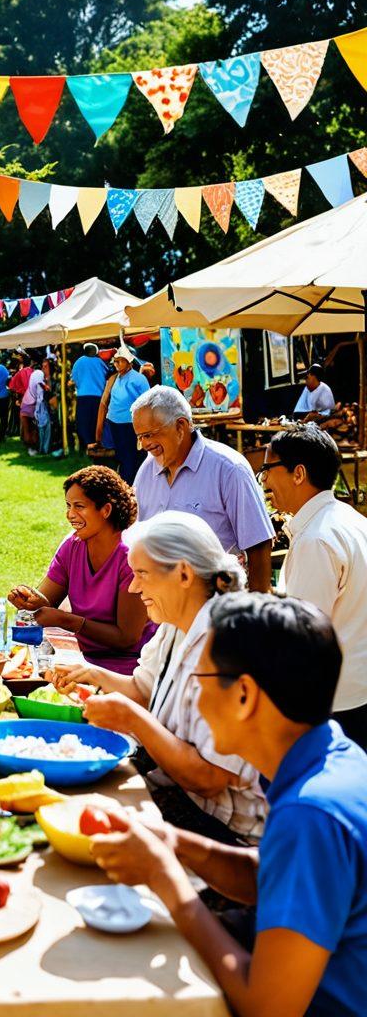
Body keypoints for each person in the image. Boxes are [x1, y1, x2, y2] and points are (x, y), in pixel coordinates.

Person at [89, 593, 367, 1017]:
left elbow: (267, 1007)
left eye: (199, 681)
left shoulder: (311, 814)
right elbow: (275, 874)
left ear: (243, 695)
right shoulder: (332, 757)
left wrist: (168, 880)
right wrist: (176, 843)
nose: (196, 701)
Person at [52, 512, 266, 843]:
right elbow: (142, 689)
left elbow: (210, 779)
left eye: (141, 574)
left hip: (227, 833)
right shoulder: (174, 623)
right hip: (182, 798)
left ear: (183, 573)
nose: (134, 587)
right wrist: (92, 674)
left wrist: (133, 719)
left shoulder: (230, 645)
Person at [260, 424, 367, 747]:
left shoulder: (316, 539)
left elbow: (303, 638)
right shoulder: (350, 519)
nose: (264, 479)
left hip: (335, 701)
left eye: (268, 468)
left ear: (298, 473)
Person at [8, 466, 153, 672]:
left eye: (79, 506)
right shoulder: (73, 544)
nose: (70, 514)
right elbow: (47, 600)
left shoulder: (130, 558)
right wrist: (30, 600)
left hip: (130, 665)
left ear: (106, 510)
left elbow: (127, 638)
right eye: (68, 506)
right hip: (81, 657)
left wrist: (67, 620)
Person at [131, 385, 274, 593]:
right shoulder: (146, 471)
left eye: (150, 435)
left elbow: (258, 544)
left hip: (217, 603)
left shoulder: (229, 469)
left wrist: (256, 608)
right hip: (163, 604)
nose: (144, 445)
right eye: (140, 437)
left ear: (180, 426)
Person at [95, 345, 150, 481]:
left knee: (132, 458)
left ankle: (131, 486)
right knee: (120, 457)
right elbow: (105, 402)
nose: (117, 364)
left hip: (131, 425)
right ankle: (124, 484)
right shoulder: (114, 378)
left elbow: (148, 402)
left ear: (129, 361)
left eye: (121, 360)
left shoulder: (139, 379)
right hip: (114, 423)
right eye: (116, 361)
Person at [70, 343, 108, 448]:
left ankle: (87, 443)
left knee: (83, 421)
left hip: (83, 395)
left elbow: (74, 379)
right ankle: (96, 442)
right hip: (98, 396)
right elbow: (107, 375)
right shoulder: (100, 362)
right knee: (97, 420)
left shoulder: (78, 362)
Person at [9, 352, 34, 448]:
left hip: (24, 398)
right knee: (31, 422)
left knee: (24, 421)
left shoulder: (21, 372)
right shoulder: (33, 371)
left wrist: (18, 392)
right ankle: (32, 440)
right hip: (34, 398)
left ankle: (26, 440)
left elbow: (11, 385)